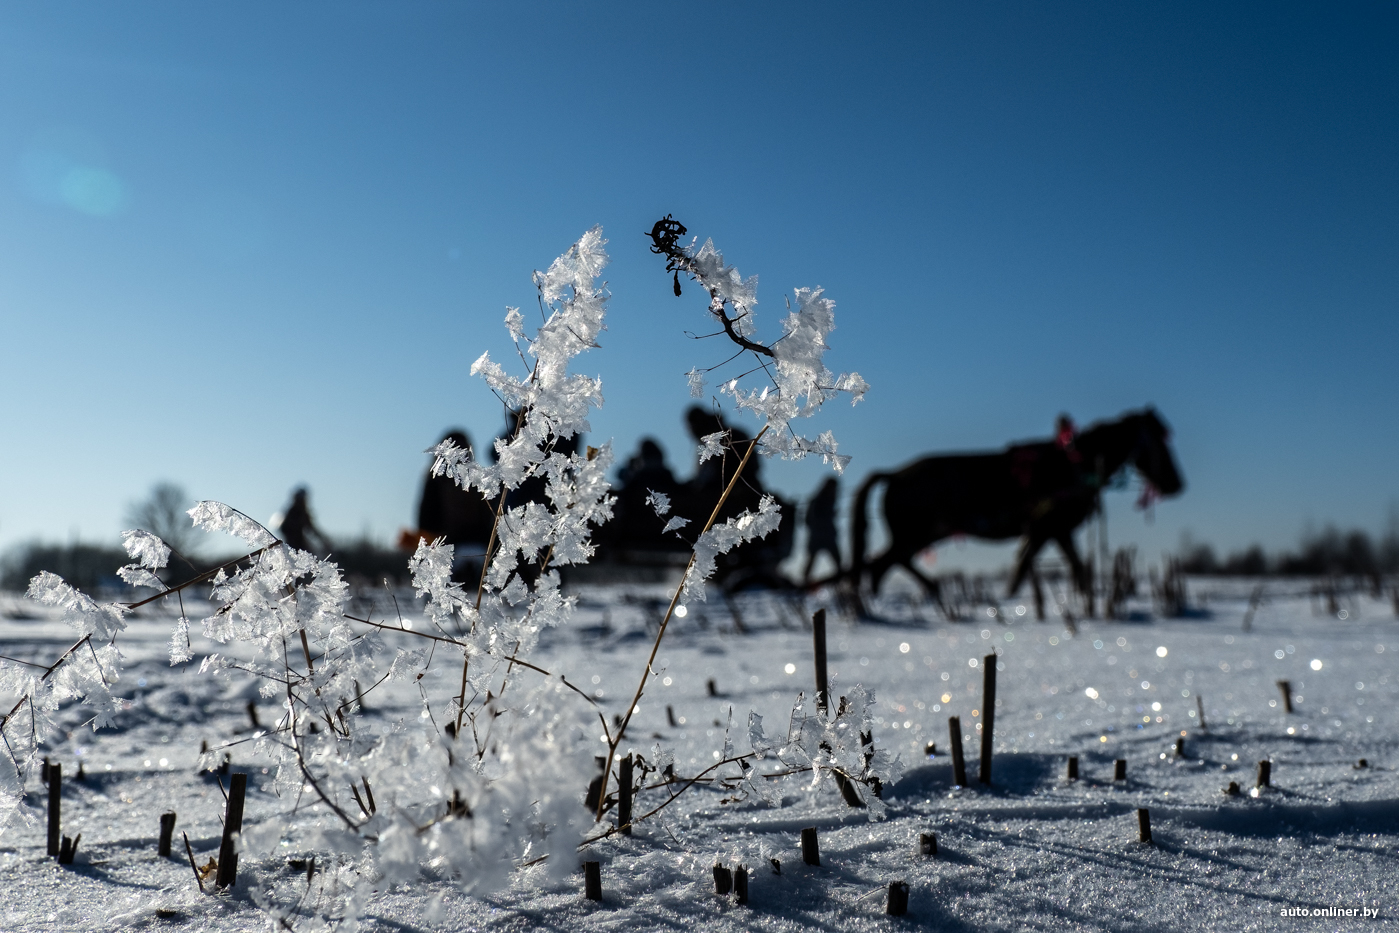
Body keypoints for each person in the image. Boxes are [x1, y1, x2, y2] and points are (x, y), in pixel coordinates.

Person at [413, 430, 498, 580]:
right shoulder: (478, 480)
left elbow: (425, 521)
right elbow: (490, 517)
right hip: (477, 546)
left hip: (450, 547)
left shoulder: (434, 481)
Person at [802, 476, 841, 585]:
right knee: (835, 560)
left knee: (813, 560)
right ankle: (805, 582)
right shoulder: (821, 501)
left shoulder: (822, 500)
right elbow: (813, 519)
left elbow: (808, 520)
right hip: (822, 536)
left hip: (819, 535)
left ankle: (806, 580)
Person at [278, 487, 330, 554]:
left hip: (295, 545)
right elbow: (311, 528)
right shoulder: (295, 513)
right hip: (295, 546)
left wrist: (324, 540)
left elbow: (311, 528)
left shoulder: (296, 512)